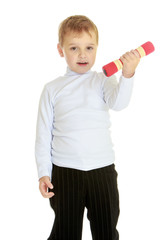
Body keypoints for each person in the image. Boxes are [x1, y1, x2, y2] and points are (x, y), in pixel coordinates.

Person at [35, 15, 140, 240]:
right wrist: (43, 172)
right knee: (65, 232)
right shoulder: (52, 89)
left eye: (89, 47)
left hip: (102, 170)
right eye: (74, 47)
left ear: (96, 49)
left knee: (106, 231)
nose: (82, 54)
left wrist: (128, 74)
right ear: (60, 50)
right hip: (64, 172)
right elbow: (43, 134)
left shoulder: (103, 79)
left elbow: (119, 104)